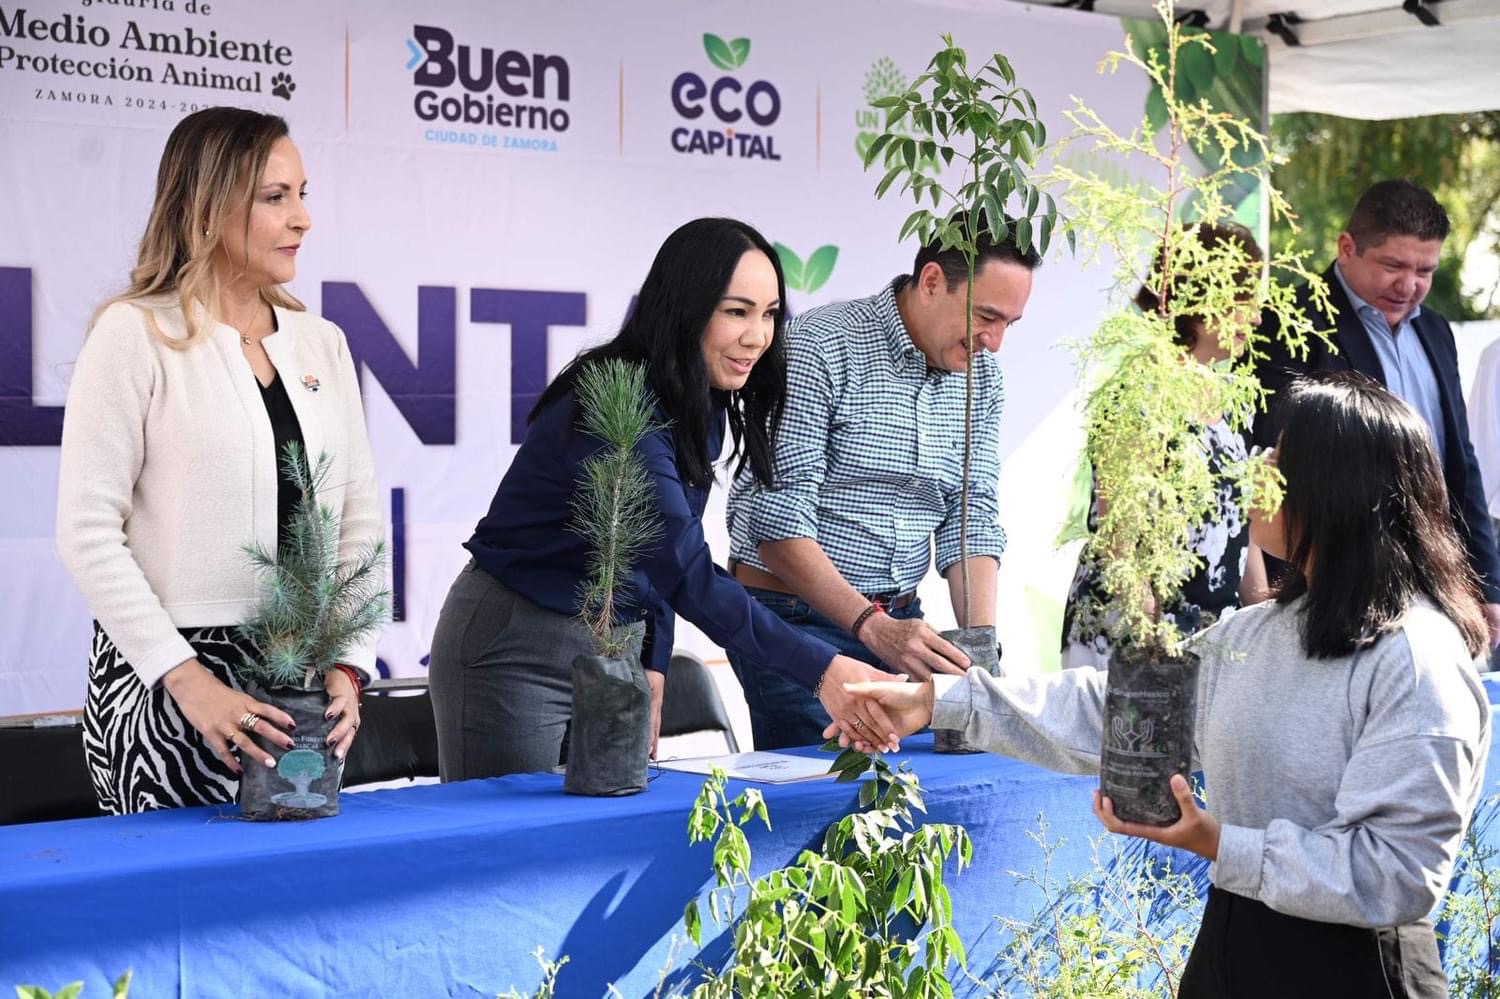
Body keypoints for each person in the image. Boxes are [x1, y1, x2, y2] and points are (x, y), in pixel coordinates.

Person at [838, 373, 1491, 997]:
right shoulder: (1258, 632)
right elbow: (1115, 708)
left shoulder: (1416, 658)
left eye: (1277, 454)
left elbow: (1396, 874)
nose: (1254, 466)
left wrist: (1219, 843)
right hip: (1235, 948)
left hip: (1356, 972)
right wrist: (935, 701)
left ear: (1329, 485)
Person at [427, 217, 902, 782]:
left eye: (770, 313)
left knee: (605, 840)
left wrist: (652, 661)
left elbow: (662, 556)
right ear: (685, 307)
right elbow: (682, 567)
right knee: (510, 849)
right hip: (517, 646)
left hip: (616, 643)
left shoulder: (704, 399)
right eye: (736, 311)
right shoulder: (614, 398)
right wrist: (822, 670)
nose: (758, 336)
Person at [56, 107, 379, 815]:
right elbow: (86, 531)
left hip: (303, 689)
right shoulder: (134, 333)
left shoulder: (322, 342)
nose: (302, 219)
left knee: (292, 910)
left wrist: (350, 667)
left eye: (302, 193)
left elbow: (360, 523)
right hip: (165, 692)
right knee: (179, 915)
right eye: (275, 197)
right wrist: (188, 678)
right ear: (206, 207)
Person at [723, 216, 1039, 749]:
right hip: (795, 623)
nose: (996, 342)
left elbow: (972, 515)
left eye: (1011, 323)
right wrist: (873, 626)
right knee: (827, 811)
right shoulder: (821, 344)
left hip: (902, 625)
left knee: (923, 809)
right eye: (986, 316)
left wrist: (977, 654)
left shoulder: (983, 378)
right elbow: (777, 525)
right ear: (933, 281)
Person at [1255, 179, 1500, 645]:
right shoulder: (1290, 323)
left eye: (1425, 270)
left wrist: (1486, 581)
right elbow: (1277, 466)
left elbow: (1459, 462)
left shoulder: (1436, 332)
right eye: (1393, 265)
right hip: (1333, 587)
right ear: (1347, 247)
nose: (1409, 285)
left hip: (1435, 580)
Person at [1063, 222, 1268, 668]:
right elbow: (1119, 539)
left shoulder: (1230, 396)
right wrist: (1152, 640)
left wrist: (1264, 616)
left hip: (1212, 636)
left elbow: (1241, 525)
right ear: (1198, 297)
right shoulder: (1139, 393)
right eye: (1243, 303)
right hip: (1134, 641)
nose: (1254, 318)